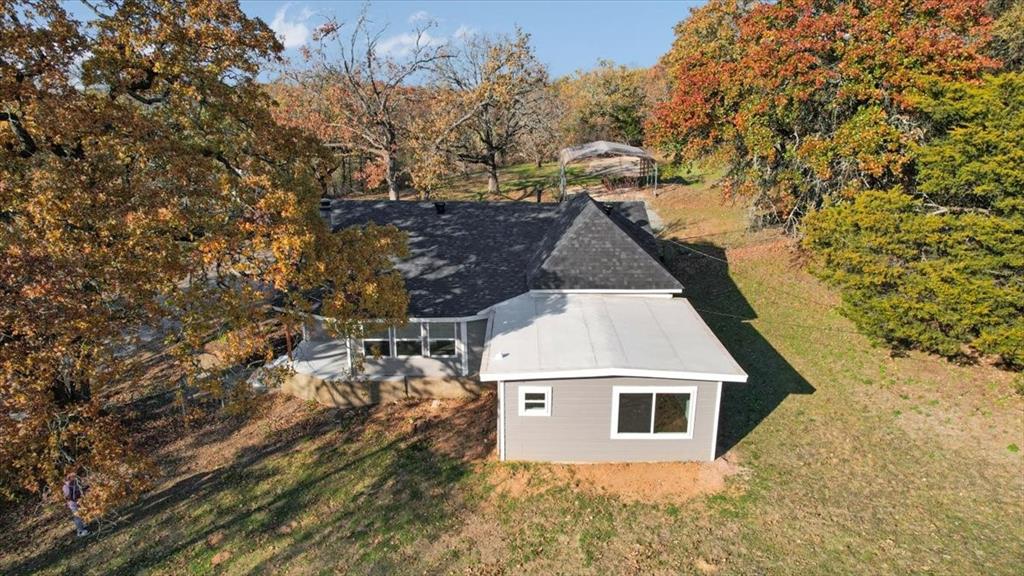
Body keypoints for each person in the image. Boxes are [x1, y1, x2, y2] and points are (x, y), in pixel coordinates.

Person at [62, 471, 90, 538]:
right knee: (77, 516)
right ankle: (80, 531)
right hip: (72, 503)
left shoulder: (75, 483)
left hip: (78, 501)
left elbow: (80, 490)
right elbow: (68, 496)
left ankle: (82, 526)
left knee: (81, 513)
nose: (75, 478)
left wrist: (86, 487)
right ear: (69, 478)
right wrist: (72, 492)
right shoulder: (66, 486)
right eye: (73, 477)